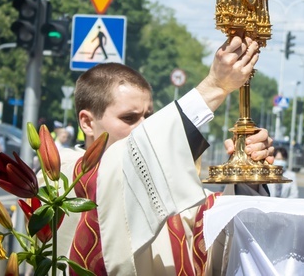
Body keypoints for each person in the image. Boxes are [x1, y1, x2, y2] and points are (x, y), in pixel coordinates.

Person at [50, 35, 272, 274]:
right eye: (129, 118)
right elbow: (117, 172)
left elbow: (214, 227)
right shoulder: (59, 174)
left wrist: (247, 175)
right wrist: (214, 87)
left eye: (149, 116)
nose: (143, 127)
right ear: (87, 122)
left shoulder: (158, 180)